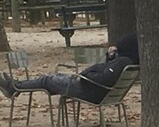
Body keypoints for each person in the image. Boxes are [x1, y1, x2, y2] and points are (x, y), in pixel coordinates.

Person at [0, 34, 139, 106]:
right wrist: (110, 58)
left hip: (87, 90)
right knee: (56, 76)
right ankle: (16, 85)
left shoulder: (122, 62)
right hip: (92, 88)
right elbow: (108, 73)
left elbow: (104, 79)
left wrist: (85, 74)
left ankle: (14, 87)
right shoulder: (125, 62)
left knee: (47, 80)